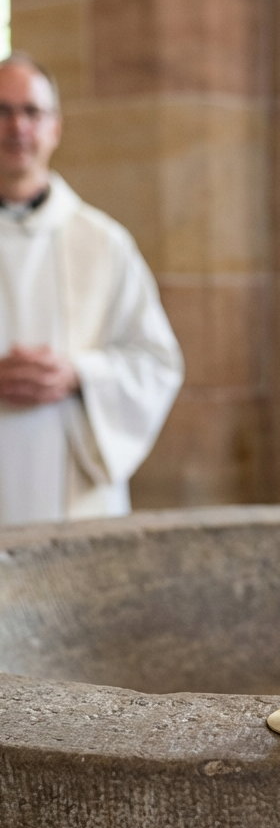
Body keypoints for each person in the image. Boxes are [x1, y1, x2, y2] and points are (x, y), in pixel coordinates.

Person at [0, 52, 183, 525]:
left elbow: (157, 363)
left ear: (54, 128)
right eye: (2, 110)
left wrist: (79, 374)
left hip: (73, 494)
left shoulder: (103, 243)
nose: (16, 126)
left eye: (31, 112)